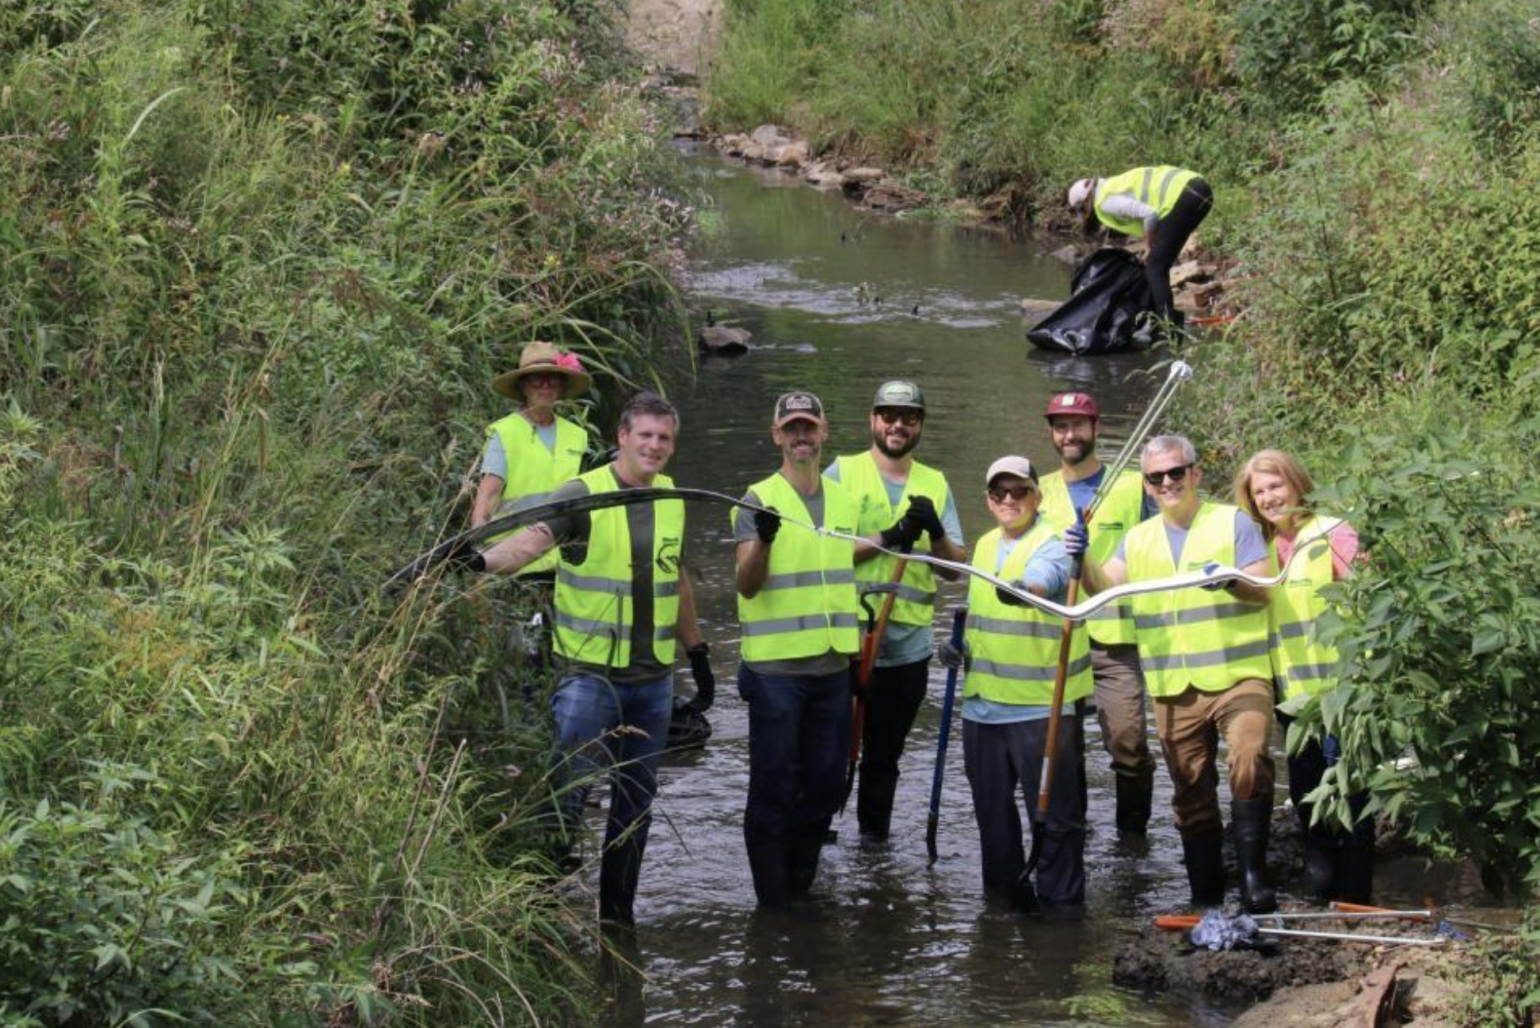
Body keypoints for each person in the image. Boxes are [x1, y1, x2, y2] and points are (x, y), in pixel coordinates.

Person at [462, 391, 716, 925]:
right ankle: (539, 907)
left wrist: (696, 652)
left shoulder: (672, 495)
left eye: (663, 437)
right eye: (644, 435)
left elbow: (676, 576)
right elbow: (531, 543)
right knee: (567, 796)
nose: (654, 445)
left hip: (652, 684)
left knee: (634, 808)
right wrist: (481, 560)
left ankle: (617, 921)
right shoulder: (584, 493)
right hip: (588, 680)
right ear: (622, 437)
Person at [1075, 435, 1279, 913]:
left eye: (1175, 472)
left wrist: (1230, 580)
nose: (1167, 482)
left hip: (1239, 675)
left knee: (1248, 757)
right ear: (1146, 487)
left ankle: (1253, 878)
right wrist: (1081, 554)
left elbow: (1264, 589)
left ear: (1195, 474)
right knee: (1190, 790)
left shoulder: (1233, 522)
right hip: (1173, 686)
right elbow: (1102, 590)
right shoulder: (1138, 539)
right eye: (1156, 477)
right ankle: (1205, 895)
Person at [733, 391, 861, 907]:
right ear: (777, 436)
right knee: (774, 787)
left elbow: (841, 568)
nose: (801, 437)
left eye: (809, 428)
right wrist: (762, 540)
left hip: (833, 667)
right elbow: (745, 584)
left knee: (829, 783)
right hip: (776, 671)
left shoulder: (845, 502)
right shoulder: (755, 498)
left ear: (825, 432)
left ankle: (801, 882)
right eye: (792, 429)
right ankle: (774, 903)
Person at [949, 456, 1091, 911]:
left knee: (1057, 820)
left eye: (1019, 491)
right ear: (989, 500)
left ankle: (1062, 913)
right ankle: (1002, 905)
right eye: (999, 493)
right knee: (992, 819)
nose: (1009, 500)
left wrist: (1026, 590)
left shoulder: (1059, 540)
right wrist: (959, 652)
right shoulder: (986, 544)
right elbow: (982, 619)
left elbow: (1045, 580)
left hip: (1040, 709)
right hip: (981, 706)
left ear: (1037, 494)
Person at [828, 380, 967, 841]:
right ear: (872, 420)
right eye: (888, 415)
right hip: (845, 642)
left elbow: (955, 570)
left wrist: (932, 532)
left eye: (908, 417)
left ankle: (873, 847)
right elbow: (823, 551)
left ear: (920, 425)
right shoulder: (842, 473)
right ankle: (816, 836)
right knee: (830, 749)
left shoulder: (935, 482)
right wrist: (890, 536)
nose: (897, 425)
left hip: (908, 647)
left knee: (884, 756)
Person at [1236, 448, 1373, 903]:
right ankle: (1321, 894)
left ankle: (1355, 898)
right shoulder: (1261, 552)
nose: (1270, 497)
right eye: (1260, 492)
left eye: (1276, 485)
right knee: (1307, 797)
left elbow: (1370, 601)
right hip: (1295, 700)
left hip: (1344, 693)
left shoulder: (1333, 532)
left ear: (1297, 483)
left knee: (1350, 797)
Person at [1036, 391, 1158, 835]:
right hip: (1056, 635)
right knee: (1062, 744)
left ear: (1095, 429)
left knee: (1127, 740)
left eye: (1078, 425)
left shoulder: (1130, 485)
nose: (1070, 434)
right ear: (1051, 432)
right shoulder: (1037, 490)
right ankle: (1073, 831)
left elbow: (1158, 543)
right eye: (1061, 425)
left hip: (1115, 636)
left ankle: (1133, 834)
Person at [473, 340, 592, 561]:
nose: (545, 386)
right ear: (523, 386)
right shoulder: (505, 432)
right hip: (513, 562)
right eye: (537, 378)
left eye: (553, 378)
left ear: (562, 385)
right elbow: (488, 496)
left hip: (564, 563)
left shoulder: (578, 435)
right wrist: (480, 558)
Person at [1067, 166, 1213, 328]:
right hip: (1199, 190)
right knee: (1158, 263)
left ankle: (1167, 329)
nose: (1086, 214)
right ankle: (1165, 319)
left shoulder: (1105, 201)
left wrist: (1149, 244)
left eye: (1082, 210)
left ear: (1087, 200)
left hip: (1185, 196)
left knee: (1155, 270)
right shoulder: (1112, 186)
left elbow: (1149, 214)